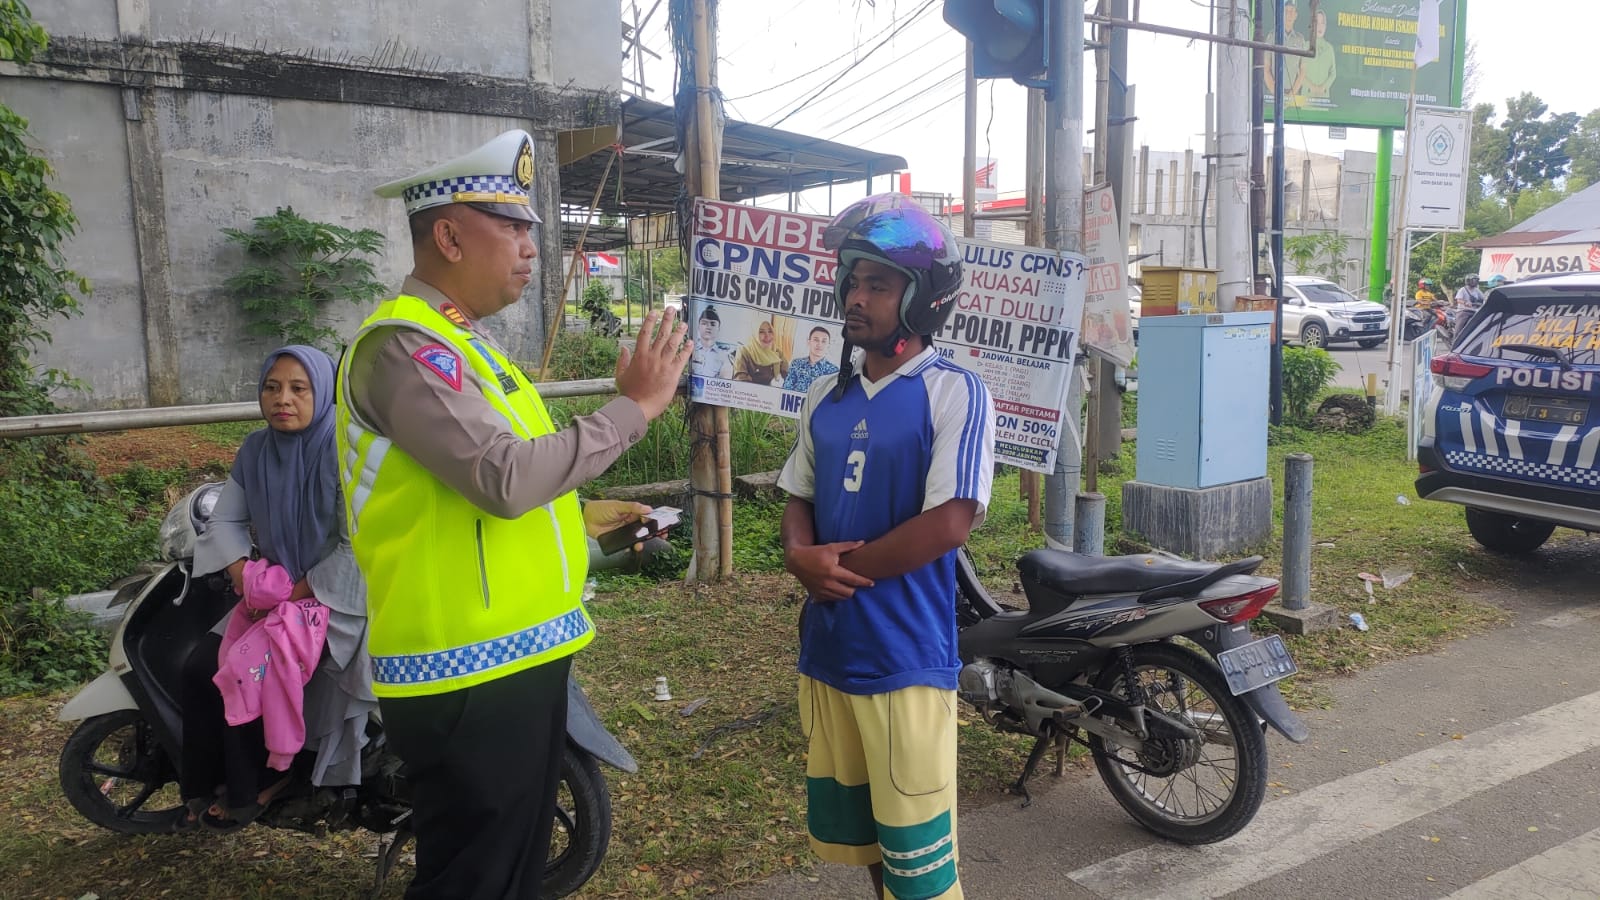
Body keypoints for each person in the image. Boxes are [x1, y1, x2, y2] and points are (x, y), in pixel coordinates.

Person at [339, 129, 691, 899]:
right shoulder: (406, 347)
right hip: (462, 670)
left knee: (514, 873)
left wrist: (589, 514)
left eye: (532, 226)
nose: (534, 246)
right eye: (514, 225)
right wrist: (632, 411)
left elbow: (508, 493)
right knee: (475, 878)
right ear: (449, 234)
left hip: (515, 655)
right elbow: (502, 478)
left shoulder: (471, 348)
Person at [777, 195, 995, 900]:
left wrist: (830, 571)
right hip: (831, 656)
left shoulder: (954, 393)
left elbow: (950, 522)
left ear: (923, 300)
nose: (856, 298)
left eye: (878, 284)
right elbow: (798, 496)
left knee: (922, 869)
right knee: (868, 841)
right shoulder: (824, 397)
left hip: (905, 663)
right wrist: (796, 554)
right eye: (852, 281)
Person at [179, 345, 375, 832]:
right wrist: (246, 576)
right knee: (200, 664)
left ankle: (258, 789)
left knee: (249, 667)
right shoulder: (255, 450)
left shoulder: (346, 452)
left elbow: (358, 546)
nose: (282, 399)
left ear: (324, 393)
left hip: (334, 598)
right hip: (269, 594)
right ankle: (202, 783)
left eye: (298, 388)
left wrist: (294, 592)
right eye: (272, 387)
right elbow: (225, 519)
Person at [781, 325, 840, 393]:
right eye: (816, 340)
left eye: (823, 341)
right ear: (808, 342)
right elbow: (786, 389)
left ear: (828, 345)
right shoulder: (796, 363)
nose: (819, 344)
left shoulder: (834, 371)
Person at [732, 319, 789, 386]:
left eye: (770, 331)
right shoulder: (744, 351)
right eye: (761, 332)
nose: (767, 336)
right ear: (754, 334)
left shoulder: (777, 352)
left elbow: (788, 376)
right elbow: (740, 382)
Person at [690, 306, 736, 379]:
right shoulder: (690, 349)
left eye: (713, 324)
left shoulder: (724, 356)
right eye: (704, 323)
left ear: (718, 328)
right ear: (698, 326)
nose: (708, 327)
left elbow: (725, 380)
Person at [1300, 10, 1336, 98]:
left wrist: (1323, 87)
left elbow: (1333, 73)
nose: (1320, 27)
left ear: (1326, 26)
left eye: (1323, 23)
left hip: (1323, 98)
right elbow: (1299, 72)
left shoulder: (1329, 48)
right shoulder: (1305, 46)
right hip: (1307, 97)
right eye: (1317, 23)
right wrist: (1312, 87)